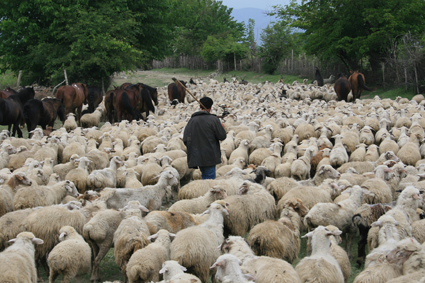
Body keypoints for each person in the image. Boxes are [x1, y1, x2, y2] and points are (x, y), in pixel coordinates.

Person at [183, 97, 227, 179]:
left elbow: (185, 139)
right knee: (210, 179)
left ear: (200, 107)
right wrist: (222, 128)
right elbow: (222, 136)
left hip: (196, 156)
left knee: (204, 176)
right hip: (209, 155)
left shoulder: (192, 120)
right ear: (211, 107)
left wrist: (193, 150)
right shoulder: (213, 120)